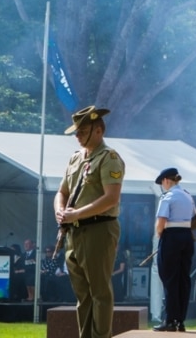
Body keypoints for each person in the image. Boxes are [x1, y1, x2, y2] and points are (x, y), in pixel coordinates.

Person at [55, 105, 126, 338]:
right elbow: (61, 192)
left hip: (99, 229)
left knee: (99, 293)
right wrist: (60, 210)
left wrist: (77, 214)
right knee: (82, 296)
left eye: (82, 131)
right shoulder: (76, 159)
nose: (77, 136)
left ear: (98, 130)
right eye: (76, 131)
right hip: (74, 232)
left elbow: (111, 197)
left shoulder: (109, 158)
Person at [153, 166, 196, 332]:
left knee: (169, 279)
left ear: (166, 180)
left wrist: (159, 236)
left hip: (171, 236)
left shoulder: (168, 197)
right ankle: (181, 320)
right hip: (187, 236)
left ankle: (169, 320)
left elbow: (161, 222)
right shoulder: (187, 195)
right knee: (183, 279)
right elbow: (194, 217)